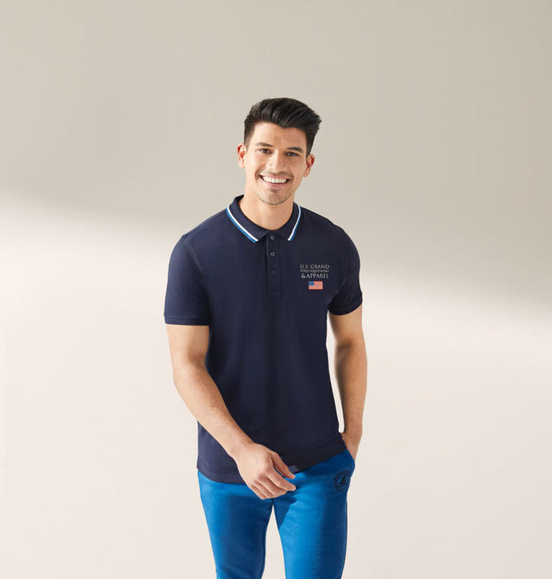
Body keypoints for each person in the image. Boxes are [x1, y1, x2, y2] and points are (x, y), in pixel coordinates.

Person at [164, 97, 367, 579]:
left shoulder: (333, 246)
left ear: (308, 164)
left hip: (317, 463)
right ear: (243, 154)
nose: (277, 165)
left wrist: (353, 433)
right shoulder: (196, 252)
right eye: (265, 150)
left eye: (292, 153)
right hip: (229, 467)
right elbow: (186, 364)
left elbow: (350, 342)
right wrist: (240, 449)